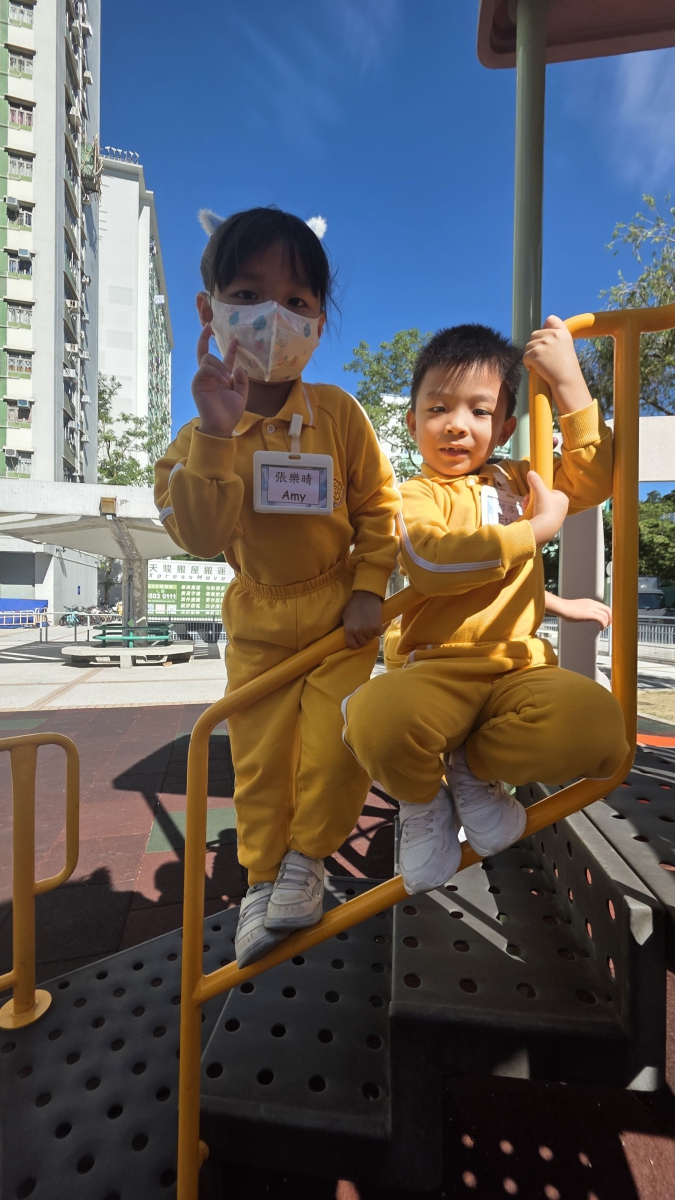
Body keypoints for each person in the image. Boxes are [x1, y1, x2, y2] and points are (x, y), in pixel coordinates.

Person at [155, 207, 399, 963]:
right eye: (248, 295)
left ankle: (306, 858)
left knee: (338, 744)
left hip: (338, 616)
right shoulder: (195, 438)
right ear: (209, 310)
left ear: (319, 322)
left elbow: (379, 507)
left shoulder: (339, 414)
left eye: (295, 301)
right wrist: (217, 433)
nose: (273, 317)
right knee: (259, 761)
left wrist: (369, 585)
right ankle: (264, 878)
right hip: (258, 620)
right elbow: (199, 536)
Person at [343, 319, 628, 895]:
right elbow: (431, 562)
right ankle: (423, 800)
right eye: (438, 408)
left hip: (516, 665)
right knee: (375, 719)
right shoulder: (414, 493)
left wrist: (569, 383)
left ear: (504, 429)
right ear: (413, 422)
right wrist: (534, 532)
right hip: (435, 667)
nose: (456, 424)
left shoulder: (521, 479)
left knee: (597, 726)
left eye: (479, 411)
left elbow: (595, 480)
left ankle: (473, 769)